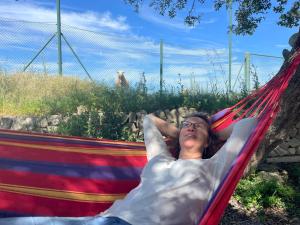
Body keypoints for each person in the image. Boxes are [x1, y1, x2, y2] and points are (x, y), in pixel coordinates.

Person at [0, 112, 257, 225]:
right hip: (99, 220)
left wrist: (212, 131)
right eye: (186, 124)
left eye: (196, 126)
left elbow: (250, 124)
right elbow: (149, 121)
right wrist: (184, 130)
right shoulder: (160, 160)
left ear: (210, 139)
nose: (190, 127)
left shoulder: (213, 167)